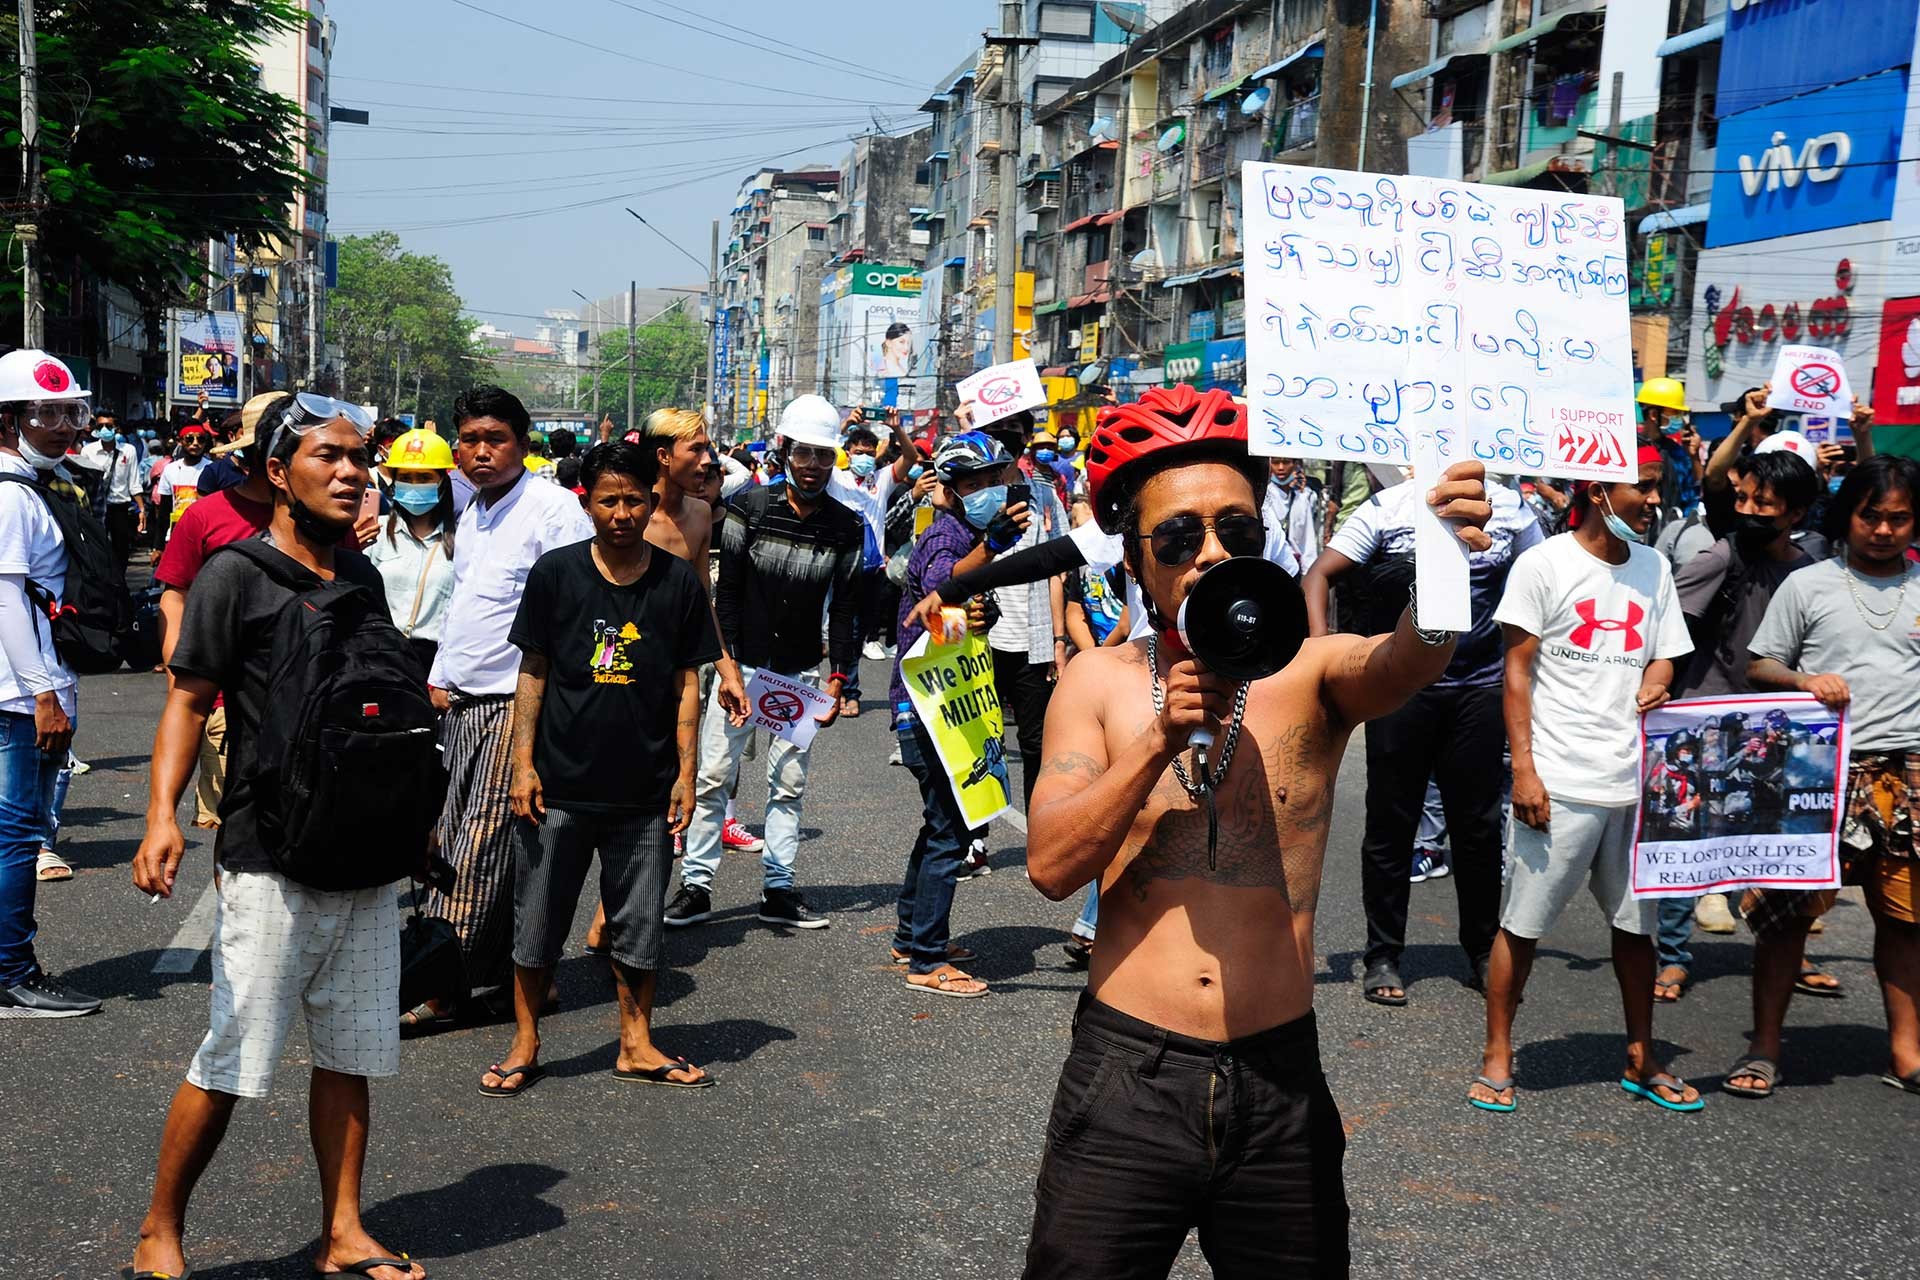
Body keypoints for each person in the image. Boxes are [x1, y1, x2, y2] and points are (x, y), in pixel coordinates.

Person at [1019, 383, 1494, 1276]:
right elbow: (1050, 865)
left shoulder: (1313, 672)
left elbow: (1409, 658)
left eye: (1235, 532)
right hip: (1129, 1077)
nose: (1209, 555)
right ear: (1136, 556)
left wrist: (1439, 555)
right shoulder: (1097, 684)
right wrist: (1159, 736)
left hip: (1279, 1082)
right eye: (1178, 537)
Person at [126, 395, 428, 1280]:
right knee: (233, 1055)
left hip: (365, 853)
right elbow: (188, 699)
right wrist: (161, 816)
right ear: (276, 472)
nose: (350, 473)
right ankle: (159, 1229)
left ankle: (344, 1231)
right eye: (328, 456)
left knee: (352, 1052)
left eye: (358, 459)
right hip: (271, 854)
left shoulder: (361, 579)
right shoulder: (235, 576)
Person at [479, 442, 722, 1098]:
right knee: (538, 920)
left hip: (643, 791)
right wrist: (521, 765)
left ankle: (636, 1042)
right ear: (587, 501)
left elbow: (687, 682)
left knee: (639, 923)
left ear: (652, 500)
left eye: (633, 500)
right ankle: (526, 1041)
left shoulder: (676, 583)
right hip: (557, 786)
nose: (621, 513)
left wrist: (686, 771)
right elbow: (532, 673)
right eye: (608, 500)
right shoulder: (556, 574)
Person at [1469, 446, 1700, 1115]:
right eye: (1645, 489)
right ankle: (1497, 1054)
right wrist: (1526, 773)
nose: (1653, 502)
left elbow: (1665, 656)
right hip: (1561, 782)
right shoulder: (1543, 564)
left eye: (1657, 489)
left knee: (1636, 931)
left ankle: (1641, 1056)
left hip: (1632, 786)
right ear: (1599, 490)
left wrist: (1656, 684)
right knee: (1523, 926)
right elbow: (1515, 674)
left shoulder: (1654, 568)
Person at [1302, 472, 1543, 1005]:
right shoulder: (1389, 508)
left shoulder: (1510, 508)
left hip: (1479, 689)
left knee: (1477, 828)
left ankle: (1482, 950)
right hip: (1401, 689)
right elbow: (1320, 574)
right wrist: (1320, 653)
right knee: (1392, 824)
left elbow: (1543, 579)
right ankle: (1383, 953)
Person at [1730, 455, 1920, 1101]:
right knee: (1786, 918)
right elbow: (1759, 666)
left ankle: (1906, 1052)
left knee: (1903, 920)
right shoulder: (1809, 585)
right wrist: (1805, 680)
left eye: (1899, 518)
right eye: (1872, 515)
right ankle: (1764, 1048)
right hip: (1819, 772)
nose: (1885, 530)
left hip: (1908, 777)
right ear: (1849, 516)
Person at [416, 387, 593, 1027]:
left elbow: (576, 616)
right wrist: (440, 675)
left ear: (524, 443)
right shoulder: (476, 507)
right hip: (461, 701)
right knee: (462, 839)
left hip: (514, 702)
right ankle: (518, 976)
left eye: (495, 438)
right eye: (469, 440)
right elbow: (469, 605)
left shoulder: (552, 512)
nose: (480, 451)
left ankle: (444, 985)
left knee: (481, 846)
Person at [663, 394, 862, 932]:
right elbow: (724, 600)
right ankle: (696, 887)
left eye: (825, 455)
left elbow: (845, 609)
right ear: (784, 451)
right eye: (804, 454)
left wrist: (840, 677)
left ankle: (779, 888)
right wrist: (727, 671)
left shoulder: (847, 526)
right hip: (741, 669)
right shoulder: (749, 508)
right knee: (712, 779)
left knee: (789, 785)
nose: (814, 466)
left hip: (799, 673)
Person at [1654, 447, 1824, 999]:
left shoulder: (1808, 571)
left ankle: (1785, 953)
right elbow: (1665, 633)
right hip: (1706, 716)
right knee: (1692, 841)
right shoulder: (1716, 559)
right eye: (1744, 498)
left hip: (1778, 721)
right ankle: (1673, 958)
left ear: (1796, 513)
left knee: (1782, 847)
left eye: (1765, 503)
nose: (1750, 510)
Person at [889, 432, 1017, 999]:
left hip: (945, 702)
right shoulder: (950, 535)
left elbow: (940, 624)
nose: (989, 490)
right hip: (926, 708)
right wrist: (989, 548)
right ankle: (927, 958)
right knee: (950, 830)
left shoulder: (964, 532)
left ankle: (908, 934)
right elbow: (940, 590)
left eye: (995, 480)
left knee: (942, 823)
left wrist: (975, 621)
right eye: (976, 483)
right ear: (953, 489)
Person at [0, 350, 99, 1018]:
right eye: (46, 413)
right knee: (17, 831)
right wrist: (41, 692)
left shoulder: (41, 485)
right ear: (8, 421)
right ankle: (11, 973)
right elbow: (6, 597)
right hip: (18, 694)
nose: (63, 426)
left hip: (29, 685)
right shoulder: (12, 496)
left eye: (71, 412)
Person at [154, 393, 289, 829]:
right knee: (234, 829)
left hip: (305, 701)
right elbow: (174, 596)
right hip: (222, 702)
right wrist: (181, 674)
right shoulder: (205, 517)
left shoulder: (323, 520)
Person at [364, 427, 458, 674]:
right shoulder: (376, 533)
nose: (414, 485)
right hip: (380, 659)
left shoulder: (463, 539)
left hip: (436, 665)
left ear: (442, 482)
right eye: (406, 477)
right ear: (394, 481)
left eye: (424, 478)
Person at [836, 407, 919, 666]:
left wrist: (895, 427)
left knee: (862, 630)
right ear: (848, 453)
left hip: (874, 568)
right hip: (842, 565)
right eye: (859, 453)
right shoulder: (835, 478)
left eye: (870, 454)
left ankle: (848, 685)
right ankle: (845, 687)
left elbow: (910, 455)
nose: (864, 458)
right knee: (844, 628)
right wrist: (845, 425)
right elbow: (827, 454)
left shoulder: (882, 480)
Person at [81, 409, 147, 570]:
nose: (104, 429)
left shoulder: (128, 450)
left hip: (120, 507)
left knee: (121, 551)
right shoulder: (88, 451)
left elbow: (134, 482)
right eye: (100, 426)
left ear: (116, 428)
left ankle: (119, 587)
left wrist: (142, 509)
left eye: (108, 426)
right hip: (95, 508)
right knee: (96, 548)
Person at [155, 422, 213, 535]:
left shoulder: (212, 469)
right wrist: (158, 546)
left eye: (200, 439)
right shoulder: (170, 469)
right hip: (175, 533)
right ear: (180, 441)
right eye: (190, 439)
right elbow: (164, 510)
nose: (195, 444)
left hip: (203, 533)